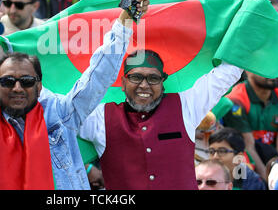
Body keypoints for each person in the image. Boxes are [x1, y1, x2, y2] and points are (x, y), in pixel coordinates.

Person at [0, 0, 150, 190]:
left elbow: (99, 76)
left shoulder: (61, 115)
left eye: (27, 81)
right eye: (8, 82)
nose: (18, 88)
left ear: (39, 87)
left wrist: (125, 20)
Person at [79, 50, 243, 189]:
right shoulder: (100, 119)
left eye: (153, 78)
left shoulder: (186, 107)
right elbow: (59, 113)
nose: (144, 85)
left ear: (163, 84)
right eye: (136, 77)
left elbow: (228, 72)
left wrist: (248, 19)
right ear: (123, 83)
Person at [222, 71, 278, 180]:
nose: (273, 71)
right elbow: (248, 147)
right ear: (249, 70)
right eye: (266, 66)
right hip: (244, 162)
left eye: (276, 66)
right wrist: (267, 181)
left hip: (273, 161)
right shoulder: (235, 100)